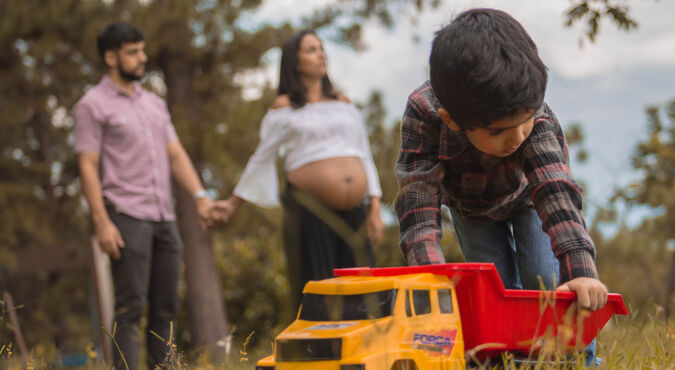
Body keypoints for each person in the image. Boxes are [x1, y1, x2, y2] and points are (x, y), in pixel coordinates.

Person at [394, 8, 607, 364]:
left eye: (523, 124)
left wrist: (581, 270)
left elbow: (555, 191)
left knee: (543, 279)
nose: (517, 138)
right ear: (452, 120)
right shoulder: (425, 115)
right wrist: (429, 276)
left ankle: (577, 360)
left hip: (529, 198)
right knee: (493, 289)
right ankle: (505, 359)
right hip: (470, 208)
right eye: (498, 131)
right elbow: (418, 199)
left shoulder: (534, 119)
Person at [72, 22, 215, 370]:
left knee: (166, 309)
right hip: (126, 217)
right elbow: (88, 166)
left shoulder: (154, 103)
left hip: (164, 217)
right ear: (110, 57)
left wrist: (199, 195)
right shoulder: (91, 106)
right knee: (130, 307)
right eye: (133, 52)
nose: (142, 58)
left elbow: (176, 154)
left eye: (142, 50)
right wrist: (102, 223)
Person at [215, 30, 384, 309]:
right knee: (319, 288)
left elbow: (363, 153)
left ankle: (363, 350)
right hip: (310, 206)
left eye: (321, 48)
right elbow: (262, 157)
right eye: (310, 50)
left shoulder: (343, 103)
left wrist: (374, 205)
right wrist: (233, 204)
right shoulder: (284, 107)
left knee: (362, 289)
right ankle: (320, 350)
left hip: (355, 209)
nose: (321, 55)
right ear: (294, 63)